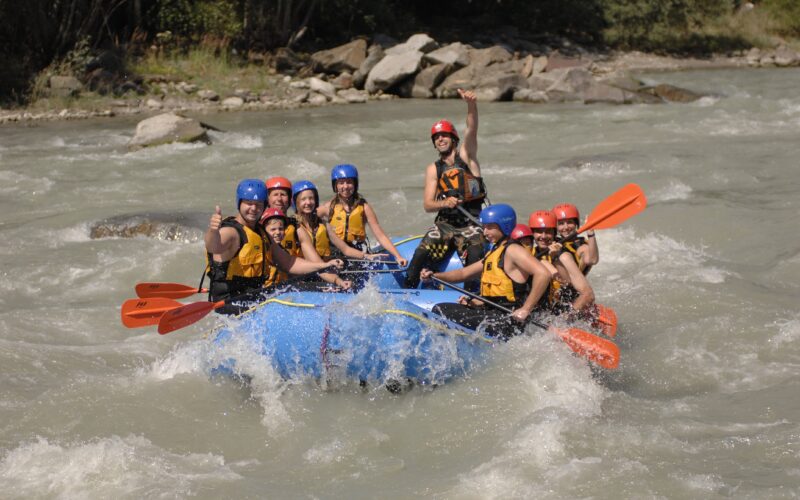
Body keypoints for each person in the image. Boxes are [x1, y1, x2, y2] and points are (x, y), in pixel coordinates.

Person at [204, 179, 342, 314]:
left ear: (264, 205)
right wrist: (213, 230)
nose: (254, 208)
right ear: (239, 203)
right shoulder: (231, 232)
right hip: (230, 301)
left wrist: (323, 266)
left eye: (258, 204)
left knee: (295, 293)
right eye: (248, 203)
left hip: (253, 296)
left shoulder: (261, 232)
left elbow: (288, 262)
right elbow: (214, 246)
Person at [419, 204, 550, 339]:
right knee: (444, 308)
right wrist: (435, 276)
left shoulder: (513, 250)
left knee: (440, 310)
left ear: (504, 226)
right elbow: (464, 274)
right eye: (484, 227)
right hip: (492, 313)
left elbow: (543, 274)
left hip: (508, 319)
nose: (485, 232)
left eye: (490, 227)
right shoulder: (495, 251)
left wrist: (526, 309)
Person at [405, 88, 487, 290]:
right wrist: (445, 202)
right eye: (436, 137)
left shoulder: (467, 156)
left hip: (471, 223)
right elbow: (428, 204)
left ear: (453, 138)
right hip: (445, 224)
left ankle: (470, 297)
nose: (440, 139)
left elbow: (472, 128)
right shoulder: (433, 169)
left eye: (444, 135)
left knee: (476, 253)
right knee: (421, 252)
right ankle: (408, 291)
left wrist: (471, 105)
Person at [317, 164, 408, 267]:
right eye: (341, 183)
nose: (345, 186)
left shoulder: (364, 208)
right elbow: (307, 220)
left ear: (355, 184)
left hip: (357, 253)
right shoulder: (327, 208)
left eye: (349, 182)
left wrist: (397, 256)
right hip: (334, 254)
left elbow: (380, 235)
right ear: (335, 186)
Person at [261, 206, 351, 290]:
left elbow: (294, 264)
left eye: (281, 229)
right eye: (273, 229)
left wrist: (337, 280)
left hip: (282, 289)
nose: (277, 232)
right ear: (264, 231)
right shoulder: (262, 247)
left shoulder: (283, 252)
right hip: (266, 290)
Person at [529, 209, 595, 316]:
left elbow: (566, 282)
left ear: (555, 233)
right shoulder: (528, 252)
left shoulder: (564, 255)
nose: (543, 236)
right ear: (532, 234)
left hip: (563, 306)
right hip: (541, 307)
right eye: (539, 231)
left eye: (548, 232)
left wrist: (555, 258)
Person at [552, 203, 599, 274]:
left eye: (570, 222)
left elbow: (592, 260)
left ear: (576, 224)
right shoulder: (551, 240)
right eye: (561, 224)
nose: (566, 227)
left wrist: (590, 234)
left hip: (573, 282)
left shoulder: (582, 245)